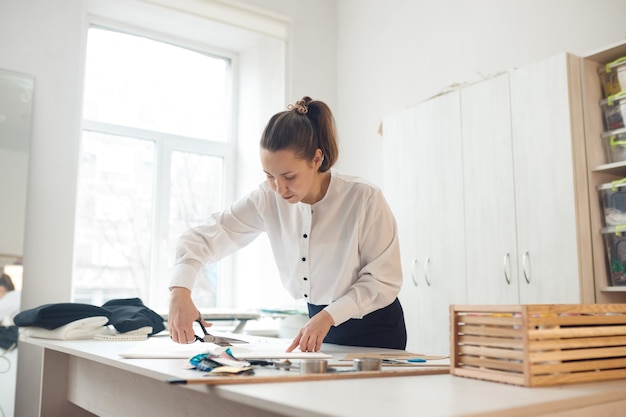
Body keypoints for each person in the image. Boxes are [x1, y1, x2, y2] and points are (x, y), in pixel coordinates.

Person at [168, 97, 407, 352]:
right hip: (318, 325)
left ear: (316, 160)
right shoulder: (266, 198)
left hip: (375, 327)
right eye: (269, 176)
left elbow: (383, 280)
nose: (279, 189)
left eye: (289, 176)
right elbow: (204, 237)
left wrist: (328, 316)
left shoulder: (364, 198)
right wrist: (179, 291)